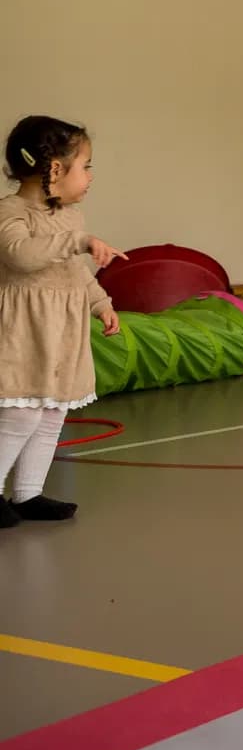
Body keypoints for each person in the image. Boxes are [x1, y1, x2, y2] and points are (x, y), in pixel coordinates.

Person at [1, 116, 126, 528]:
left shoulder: (71, 218)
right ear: (55, 168)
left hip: (63, 331)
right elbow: (20, 255)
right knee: (21, 413)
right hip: (24, 331)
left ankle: (28, 493)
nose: (89, 177)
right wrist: (79, 241)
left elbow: (75, 271)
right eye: (85, 165)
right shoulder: (11, 212)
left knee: (52, 411)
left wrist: (100, 302)